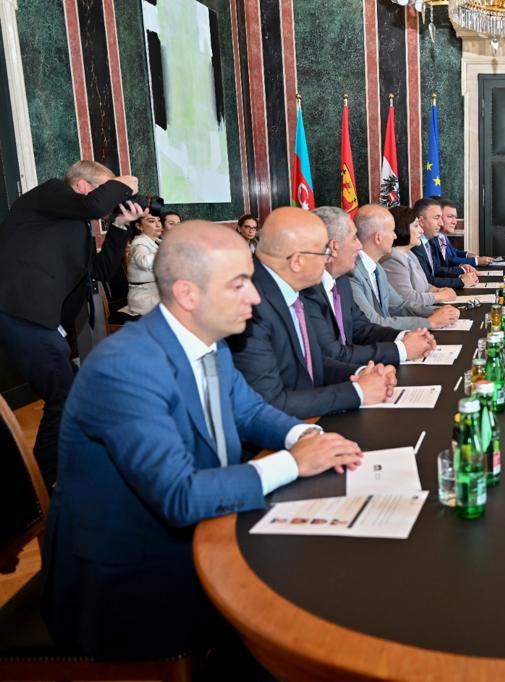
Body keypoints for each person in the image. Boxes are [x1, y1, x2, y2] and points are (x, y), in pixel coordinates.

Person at [40, 220, 363, 661]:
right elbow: (180, 496)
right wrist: (294, 462)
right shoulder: (125, 367)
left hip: (200, 534)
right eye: (239, 284)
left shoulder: (208, 340)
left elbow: (249, 411)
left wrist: (305, 434)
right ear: (188, 295)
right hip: (130, 583)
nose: (255, 297)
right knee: (303, 624)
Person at [0, 159, 141, 489]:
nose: (112, 200)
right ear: (82, 186)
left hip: (38, 319)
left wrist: (120, 225)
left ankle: (67, 464)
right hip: (19, 310)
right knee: (64, 394)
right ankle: (45, 481)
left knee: (76, 390)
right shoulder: (49, 193)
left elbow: (100, 271)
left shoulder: (76, 227)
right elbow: (94, 205)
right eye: (106, 189)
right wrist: (125, 182)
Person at [229, 207, 393, 419]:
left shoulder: (289, 287)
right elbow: (270, 403)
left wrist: (362, 375)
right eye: (324, 252)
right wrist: (358, 392)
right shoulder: (251, 305)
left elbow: (312, 363)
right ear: (297, 261)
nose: (328, 259)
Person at [306, 205, 437, 359]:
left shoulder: (341, 282)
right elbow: (333, 354)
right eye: (354, 238)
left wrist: (405, 337)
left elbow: (362, 328)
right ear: (333, 247)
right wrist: (402, 349)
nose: (359, 245)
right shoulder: (310, 292)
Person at [348, 204, 461, 330]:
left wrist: (436, 312)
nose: (395, 236)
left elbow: (399, 305)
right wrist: (429, 322)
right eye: (392, 231)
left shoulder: (377, 268)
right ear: (378, 238)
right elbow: (373, 322)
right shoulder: (352, 273)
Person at [382, 206, 458, 307]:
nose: (421, 231)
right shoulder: (393, 259)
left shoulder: (410, 254)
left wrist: (438, 290)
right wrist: (439, 296)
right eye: (416, 226)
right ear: (402, 228)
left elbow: (425, 286)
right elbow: (407, 299)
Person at [410, 197, 478, 289]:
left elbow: (437, 270)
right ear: (421, 221)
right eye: (436, 218)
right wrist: (461, 281)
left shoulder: (430, 240)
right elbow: (426, 281)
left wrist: (461, 272)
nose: (441, 223)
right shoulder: (415, 245)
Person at [435, 196, 494, 266]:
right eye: (450, 216)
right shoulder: (433, 239)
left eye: (455, 217)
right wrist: (476, 261)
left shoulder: (442, 236)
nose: (455, 222)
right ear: (438, 217)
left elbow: (453, 252)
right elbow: (447, 259)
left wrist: (467, 254)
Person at [126, 212, 164, 316]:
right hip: (144, 297)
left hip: (156, 292)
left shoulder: (157, 241)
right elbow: (144, 262)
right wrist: (165, 250)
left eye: (159, 220)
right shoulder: (139, 243)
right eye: (152, 221)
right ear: (139, 226)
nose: (158, 225)